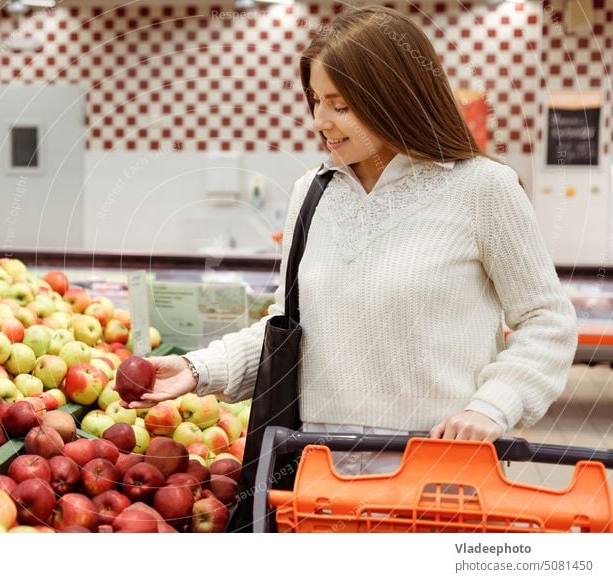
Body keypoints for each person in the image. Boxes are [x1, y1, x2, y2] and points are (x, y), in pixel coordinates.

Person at [126, 6, 577, 476]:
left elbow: (547, 321)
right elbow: (289, 327)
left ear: (396, 97)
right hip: (321, 476)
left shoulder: (481, 188)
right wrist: (198, 369)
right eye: (316, 100)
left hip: (441, 473)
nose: (321, 121)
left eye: (341, 105)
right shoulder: (312, 193)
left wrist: (492, 407)